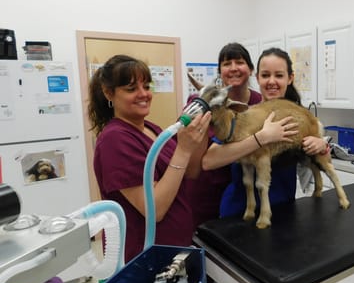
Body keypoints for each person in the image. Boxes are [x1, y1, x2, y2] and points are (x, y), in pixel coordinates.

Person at [88, 54, 211, 263]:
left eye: (146, 86)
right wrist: (182, 149)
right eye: (131, 89)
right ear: (109, 93)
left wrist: (199, 136)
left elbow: (190, 171)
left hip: (173, 249)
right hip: (144, 257)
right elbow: (155, 209)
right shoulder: (114, 140)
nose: (143, 94)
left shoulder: (151, 128)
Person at [202, 47, 329, 217]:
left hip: (285, 209)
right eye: (265, 75)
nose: (271, 81)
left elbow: (318, 163)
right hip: (239, 212)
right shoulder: (241, 115)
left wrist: (321, 145)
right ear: (258, 78)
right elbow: (208, 161)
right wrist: (261, 138)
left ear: (290, 78)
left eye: (279, 75)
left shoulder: (298, 117)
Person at [185, 43, 266, 228]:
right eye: (227, 63)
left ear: (251, 69)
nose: (234, 68)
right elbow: (187, 146)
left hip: (243, 192)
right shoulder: (200, 102)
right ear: (220, 71)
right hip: (205, 190)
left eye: (240, 62)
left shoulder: (260, 103)